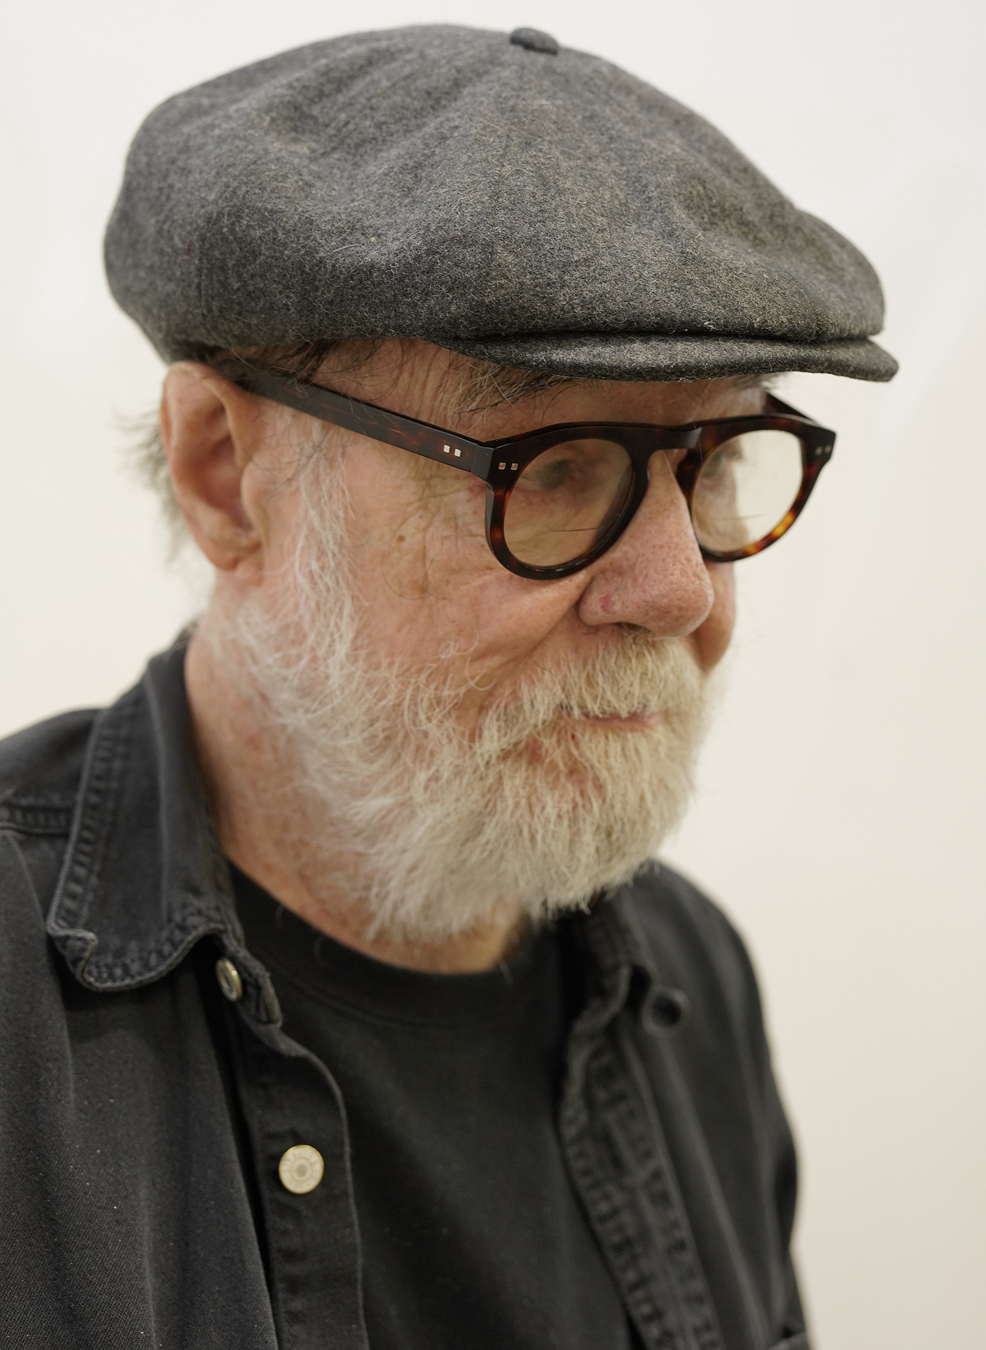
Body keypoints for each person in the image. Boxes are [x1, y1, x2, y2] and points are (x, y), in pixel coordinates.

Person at [0, 24, 896, 1350]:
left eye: (714, 458)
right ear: (223, 472)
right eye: (548, 463)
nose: (676, 589)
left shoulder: (688, 978)